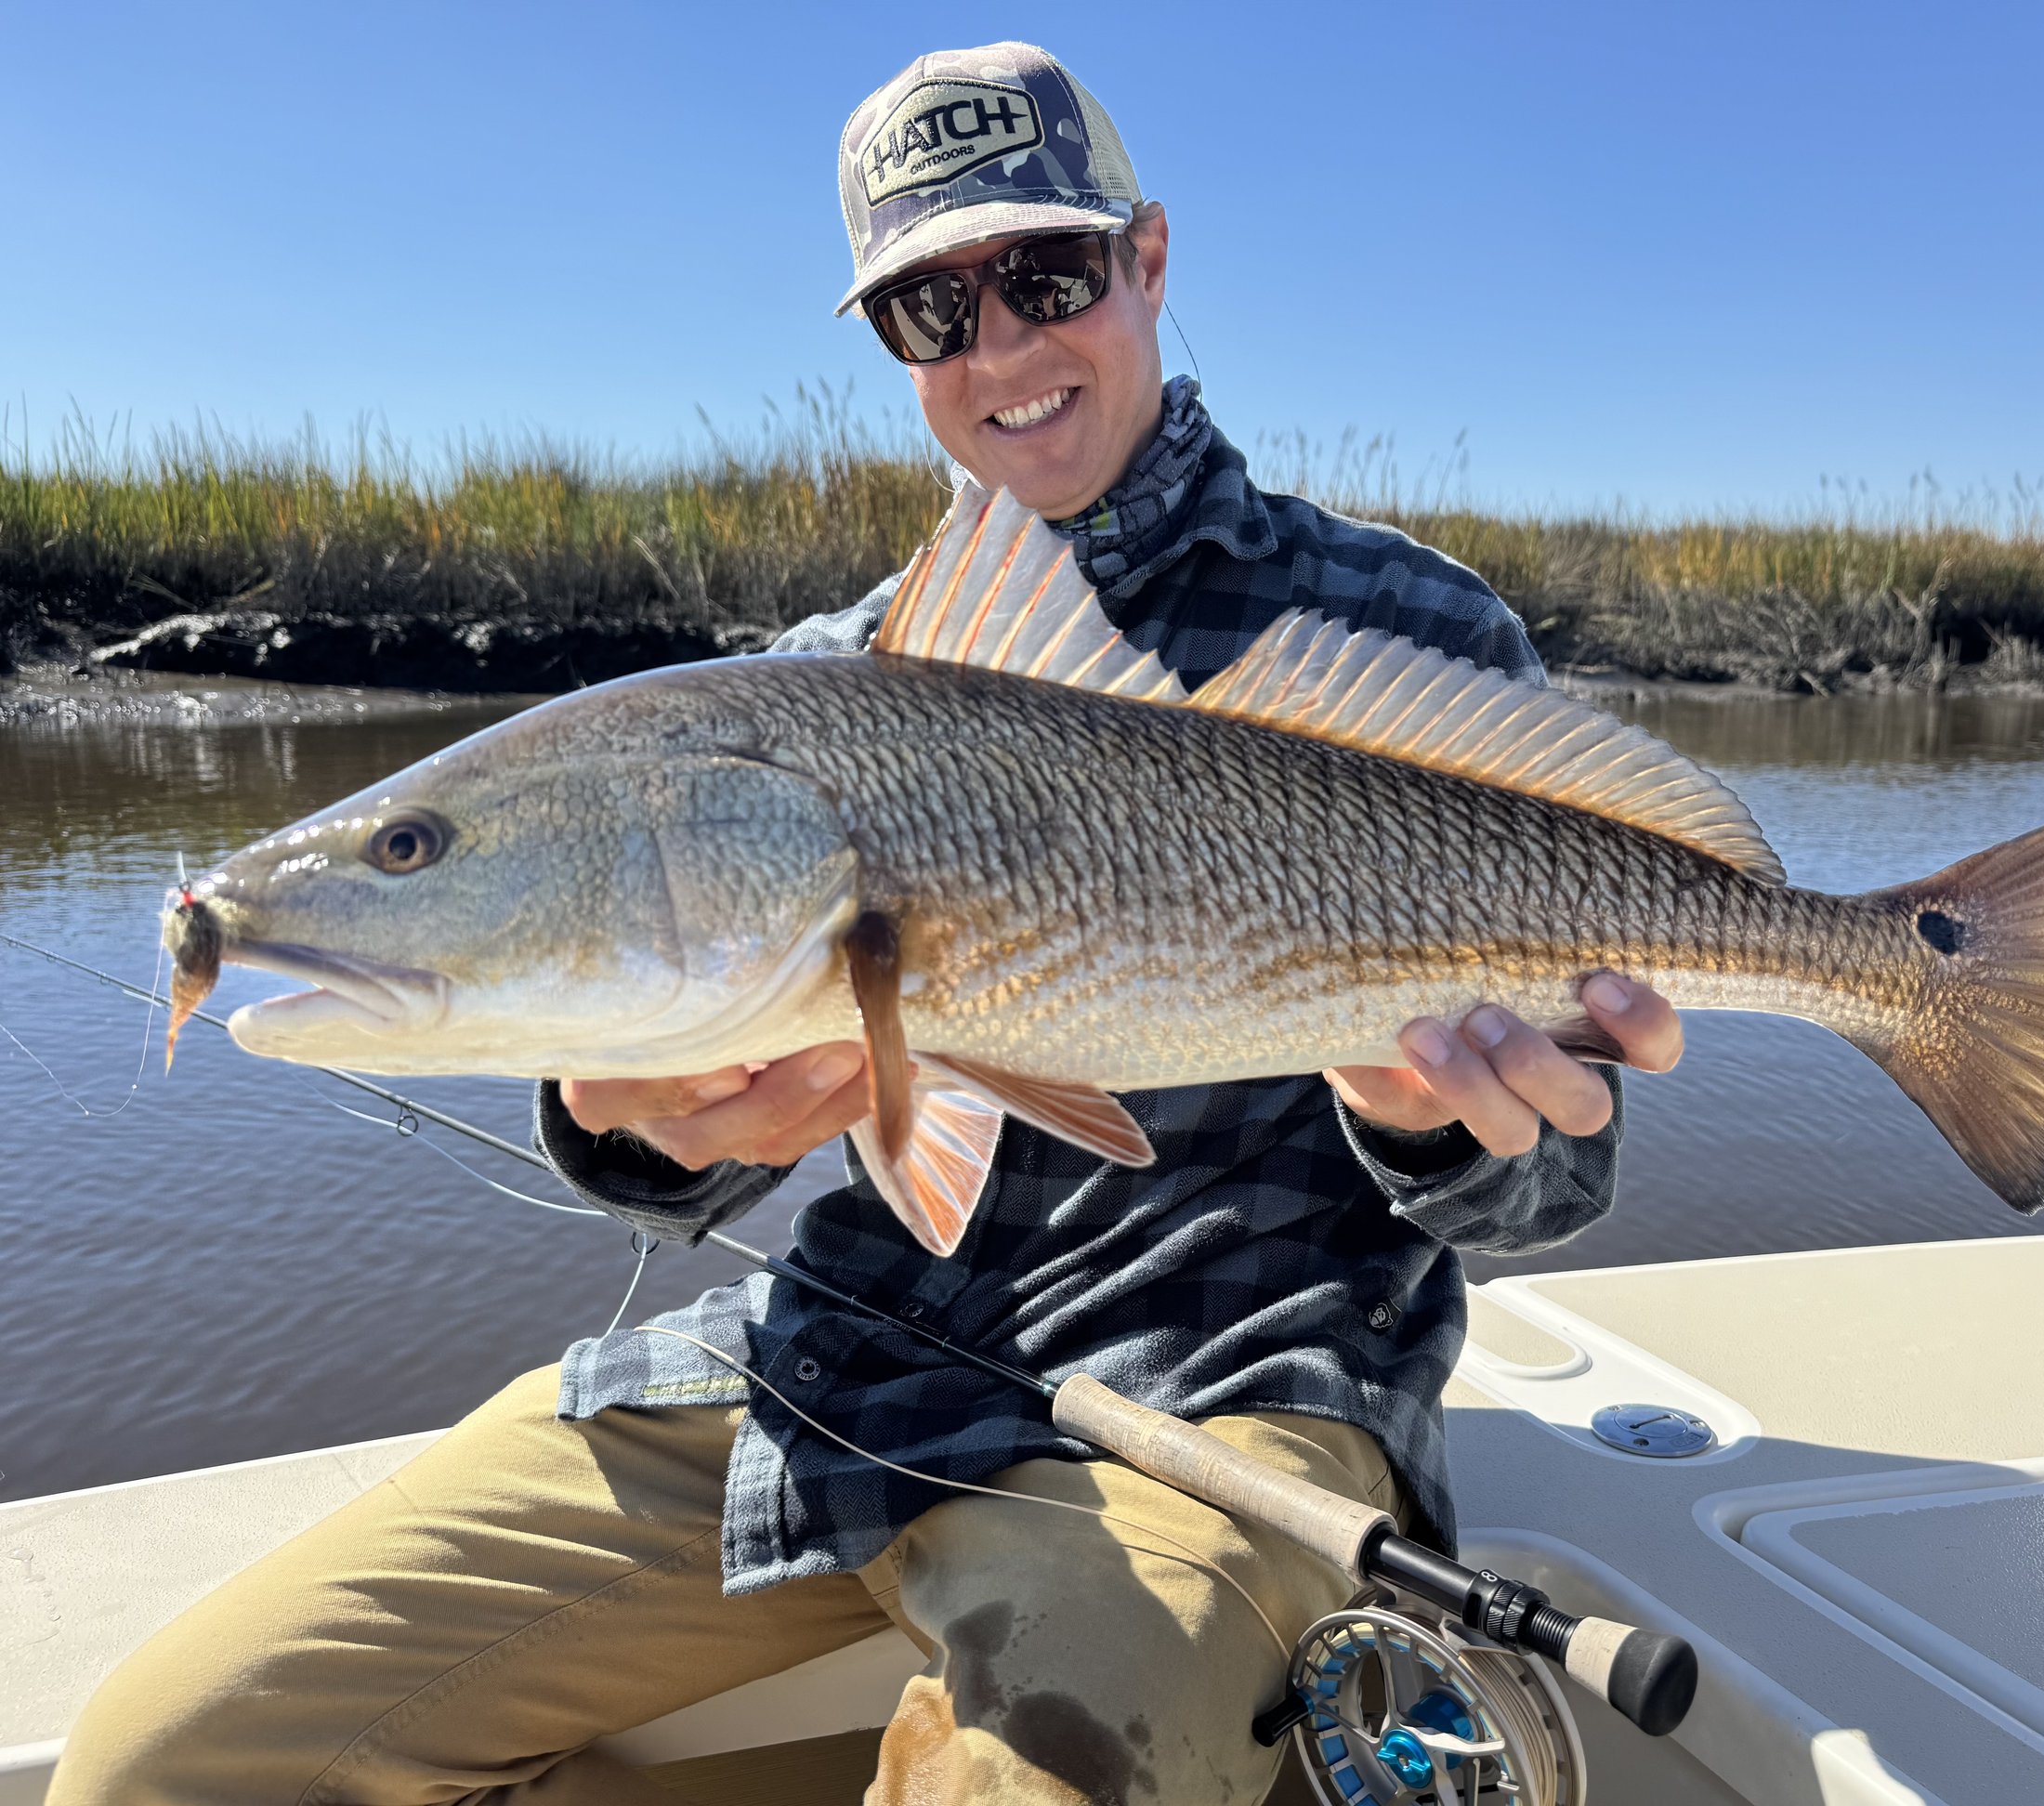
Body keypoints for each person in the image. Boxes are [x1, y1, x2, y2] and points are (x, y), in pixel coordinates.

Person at [53, 42, 1682, 1806]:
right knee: (168, 1763)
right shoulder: (819, 689)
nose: (997, 350)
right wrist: (622, 1117)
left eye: (1044, 277)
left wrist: (1427, 1125)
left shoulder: (1405, 626)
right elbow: (696, 1123)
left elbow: (1550, 1189)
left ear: (1148, 260)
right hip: (850, 1362)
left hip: (1229, 1400)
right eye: (927, 309)